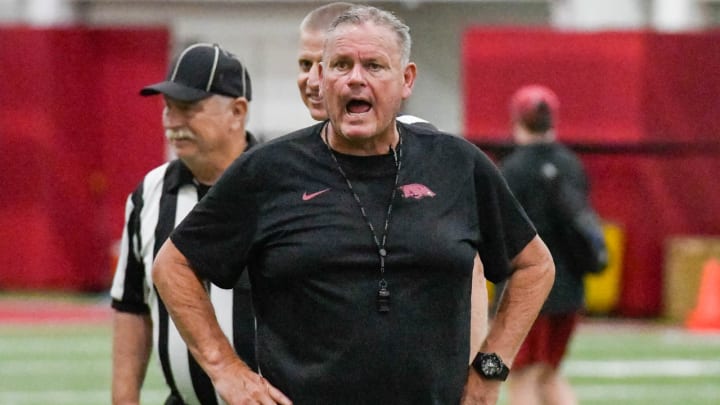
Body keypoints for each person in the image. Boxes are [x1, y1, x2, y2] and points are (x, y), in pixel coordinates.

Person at [152, 6, 554, 405]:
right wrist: (226, 369)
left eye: (374, 66)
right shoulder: (268, 171)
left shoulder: (457, 164)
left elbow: (534, 265)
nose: (355, 80)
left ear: (406, 80)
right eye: (341, 65)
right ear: (321, 78)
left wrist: (490, 369)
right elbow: (174, 266)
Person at [296, 1, 489, 355]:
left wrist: (477, 369)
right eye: (306, 65)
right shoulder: (287, 162)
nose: (312, 80)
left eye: (325, 64)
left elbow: (469, 266)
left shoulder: (420, 148)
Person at [110, 43, 258, 405]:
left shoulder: (283, 186)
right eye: (168, 109)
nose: (172, 123)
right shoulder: (151, 192)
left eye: (189, 109)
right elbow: (132, 306)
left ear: (237, 112)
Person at [499, 84, 586, 405]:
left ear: (516, 119)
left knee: (522, 376)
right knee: (549, 373)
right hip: (571, 288)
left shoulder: (512, 169)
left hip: (529, 289)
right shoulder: (571, 163)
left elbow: (503, 235)